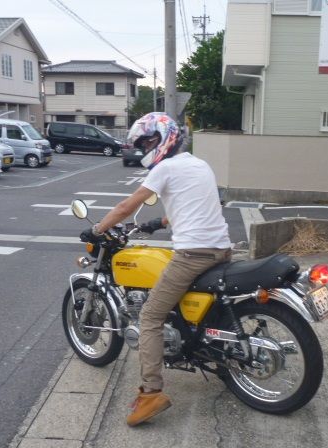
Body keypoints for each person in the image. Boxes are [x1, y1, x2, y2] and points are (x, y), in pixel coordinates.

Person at [88, 112, 231, 426]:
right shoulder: (199, 164)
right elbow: (194, 205)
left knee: (150, 316)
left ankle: (151, 393)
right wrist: (160, 222)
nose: (145, 148)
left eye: (148, 141)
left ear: (164, 138)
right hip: (221, 250)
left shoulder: (165, 168)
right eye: (143, 143)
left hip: (193, 254)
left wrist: (98, 229)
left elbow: (127, 206)